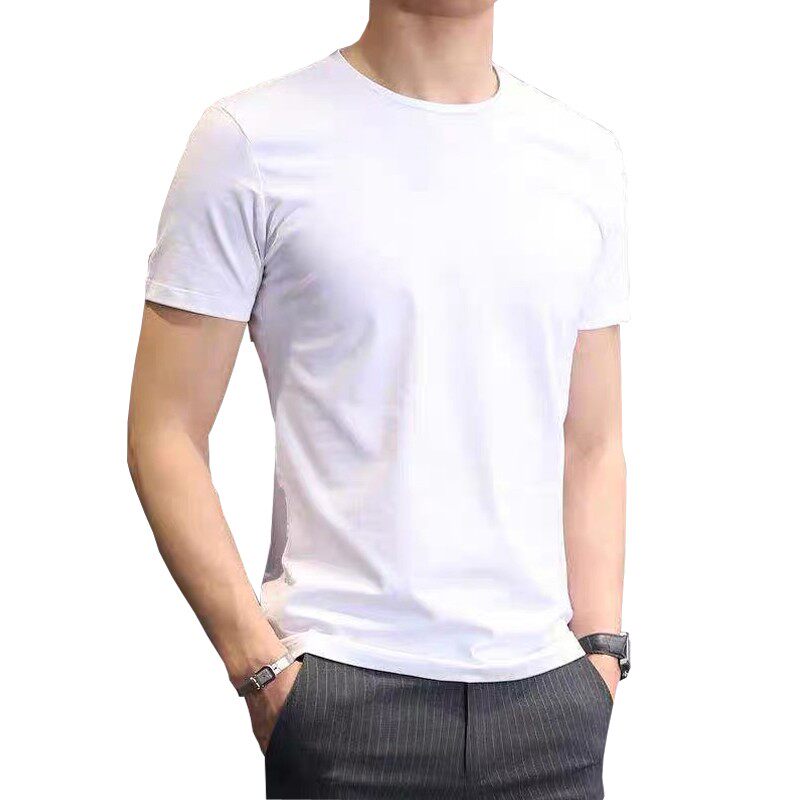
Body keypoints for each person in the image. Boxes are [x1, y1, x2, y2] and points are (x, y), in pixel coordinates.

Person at [128, 1, 631, 797]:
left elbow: (592, 440)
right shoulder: (250, 142)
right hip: (344, 692)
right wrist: (259, 668)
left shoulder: (583, 157)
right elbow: (165, 431)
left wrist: (600, 652)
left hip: (548, 703)